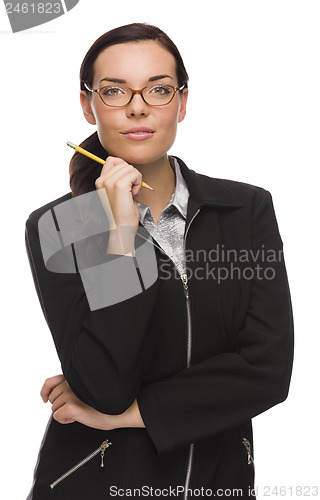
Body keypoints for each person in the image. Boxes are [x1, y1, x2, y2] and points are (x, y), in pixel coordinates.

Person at [25, 22, 294, 500]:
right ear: (88, 105)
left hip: (221, 481)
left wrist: (128, 415)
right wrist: (120, 236)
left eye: (159, 89)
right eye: (114, 91)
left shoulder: (245, 209)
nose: (137, 106)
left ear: (182, 103)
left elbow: (268, 371)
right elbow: (104, 384)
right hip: (96, 483)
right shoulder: (64, 225)